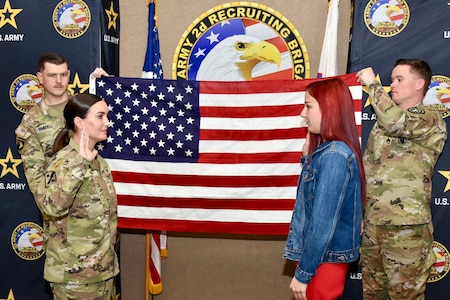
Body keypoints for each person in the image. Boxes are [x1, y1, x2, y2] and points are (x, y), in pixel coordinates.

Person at [357, 58, 447, 299]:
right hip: (374, 225)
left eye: (399, 79)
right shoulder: (380, 124)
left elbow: (396, 122)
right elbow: (369, 168)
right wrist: (363, 212)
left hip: (407, 228)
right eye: (390, 80)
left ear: (419, 83)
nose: (391, 85)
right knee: (373, 294)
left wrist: (373, 86)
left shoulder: (428, 117)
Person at [283, 78, 366, 300]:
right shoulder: (330, 152)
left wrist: (304, 273)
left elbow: (322, 222)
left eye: (308, 105)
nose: (303, 113)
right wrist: (306, 158)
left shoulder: (334, 155)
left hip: (323, 260)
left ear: (328, 107)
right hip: (321, 257)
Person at [39, 93, 119, 299]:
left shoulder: (99, 162)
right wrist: (79, 164)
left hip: (102, 273)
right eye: (100, 116)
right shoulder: (64, 161)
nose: (107, 122)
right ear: (79, 122)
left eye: (107, 116)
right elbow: (52, 208)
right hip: (74, 279)